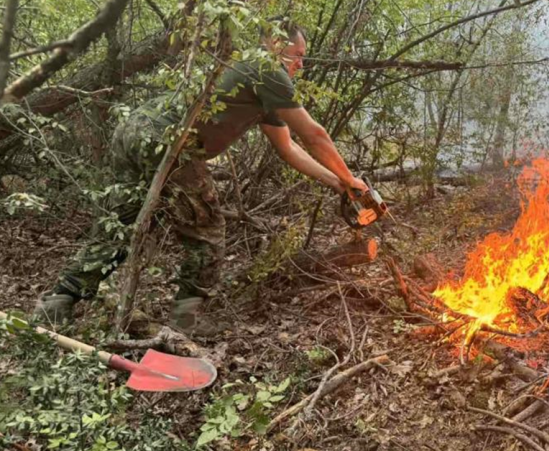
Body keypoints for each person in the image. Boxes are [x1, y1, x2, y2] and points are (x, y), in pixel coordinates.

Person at [33, 20, 368, 334]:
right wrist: (351, 176)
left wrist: (340, 183)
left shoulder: (253, 73)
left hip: (134, 130)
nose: (301, 65)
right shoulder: (267, 69)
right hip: (169, 141)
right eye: (298, 56)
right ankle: (185, 320)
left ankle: (58, 301)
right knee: (206, 228)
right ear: (275, 44)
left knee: (123, 224)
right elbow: (315, 136)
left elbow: (289, 149)